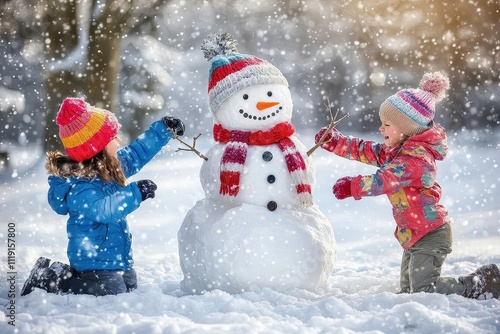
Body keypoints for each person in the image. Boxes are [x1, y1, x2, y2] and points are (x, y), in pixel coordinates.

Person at [314, 72, 499, 299]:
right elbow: (367, 150)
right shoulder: (396, 151)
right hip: (414, 234)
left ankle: (480, 285)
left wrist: (354, 186)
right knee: (408, 292)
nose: (381, 129)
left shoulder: (415, 160)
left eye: (387, 124)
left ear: (407, 128)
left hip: (431, 233)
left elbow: (386, 179)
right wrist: (336, 142)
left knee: (424, 290)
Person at [21, 97, 185, 296]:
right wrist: (135, 193)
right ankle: (51, 280)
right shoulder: (81, 187)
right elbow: (103, 210)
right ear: (96, 147)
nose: (119, 141)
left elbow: (136, 153)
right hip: (93, 261)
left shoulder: (109, 167)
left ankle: (65, 275)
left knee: (130, 285)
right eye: (113, 137)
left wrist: (163, 130)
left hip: (113, 258)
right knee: (112, 290)